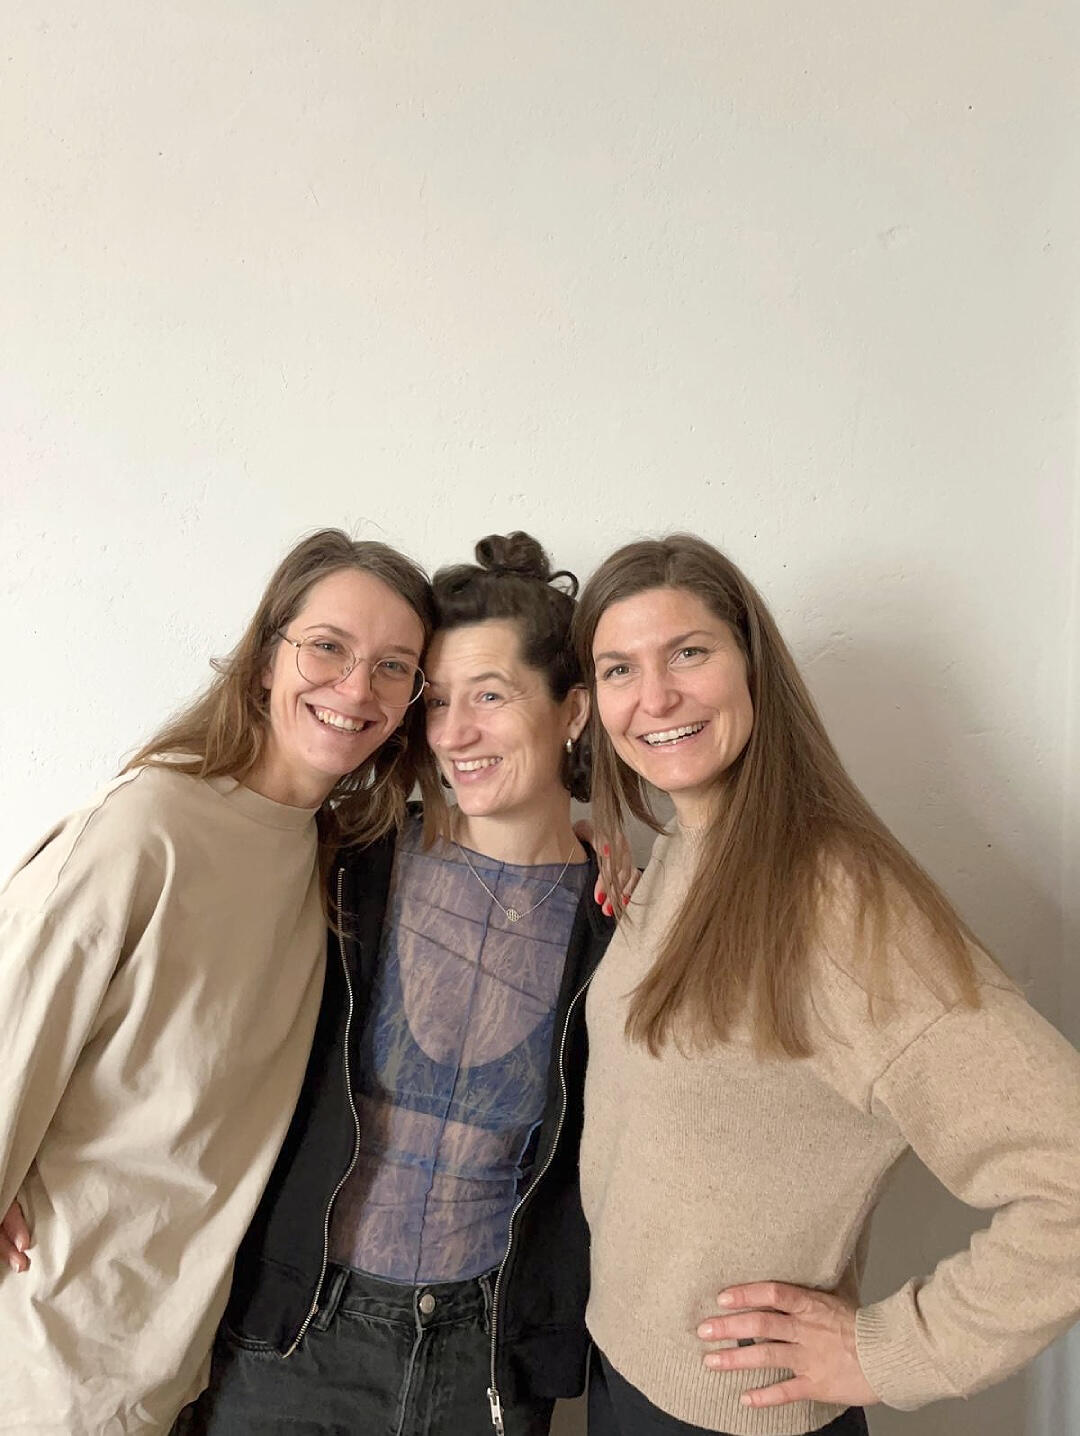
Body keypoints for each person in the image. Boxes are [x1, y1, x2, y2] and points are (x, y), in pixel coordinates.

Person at [572, 534, 1080, 1436]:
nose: (654, 697)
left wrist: (893, 1350)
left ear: (753, 669)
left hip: (731, 1416)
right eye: (620, 668)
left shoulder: (838, 903)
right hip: (623, 1372)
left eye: (689, 653)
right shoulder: (688, 852)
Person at [0, 528, 437, 1434]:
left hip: (184, 1352)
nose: (357, 689)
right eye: (329, 648)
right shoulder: (152, 825)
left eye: (394, 668)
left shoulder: (335, 863)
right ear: (267, 655)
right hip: (49, 1342)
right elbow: (15, 1025)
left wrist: (593, 838)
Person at [183, 532, 615, 1436]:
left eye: (490, 697)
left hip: (485, 1362)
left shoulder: (619, 922)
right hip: (295, 1336)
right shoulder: (345, 864)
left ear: (573, 711)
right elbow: (174, 1009)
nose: (454, 733)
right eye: (439, 699)